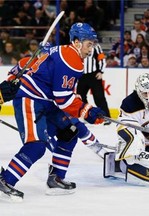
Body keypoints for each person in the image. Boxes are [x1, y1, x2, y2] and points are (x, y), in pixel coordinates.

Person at [0, 22, 106, 201]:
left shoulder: (59, 50)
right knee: (36, 146)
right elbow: (63, 99)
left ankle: (56, 178)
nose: (91, 50)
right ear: (77, 42)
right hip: (31, 99)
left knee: (70, 132)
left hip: (46, 102)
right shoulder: (72, 60)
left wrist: (13, 76)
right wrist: (88, 111)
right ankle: (5, 181)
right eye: (89, 45)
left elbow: (24, 63)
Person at [76, 43, 111, 125]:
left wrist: (101, 71)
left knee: (99, 98)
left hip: (94, 75)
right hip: (82, 75)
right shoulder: (78, 45)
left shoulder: (96, 46)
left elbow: (101, 59)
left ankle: (106, 117)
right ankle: (85, 115)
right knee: (80, 97)